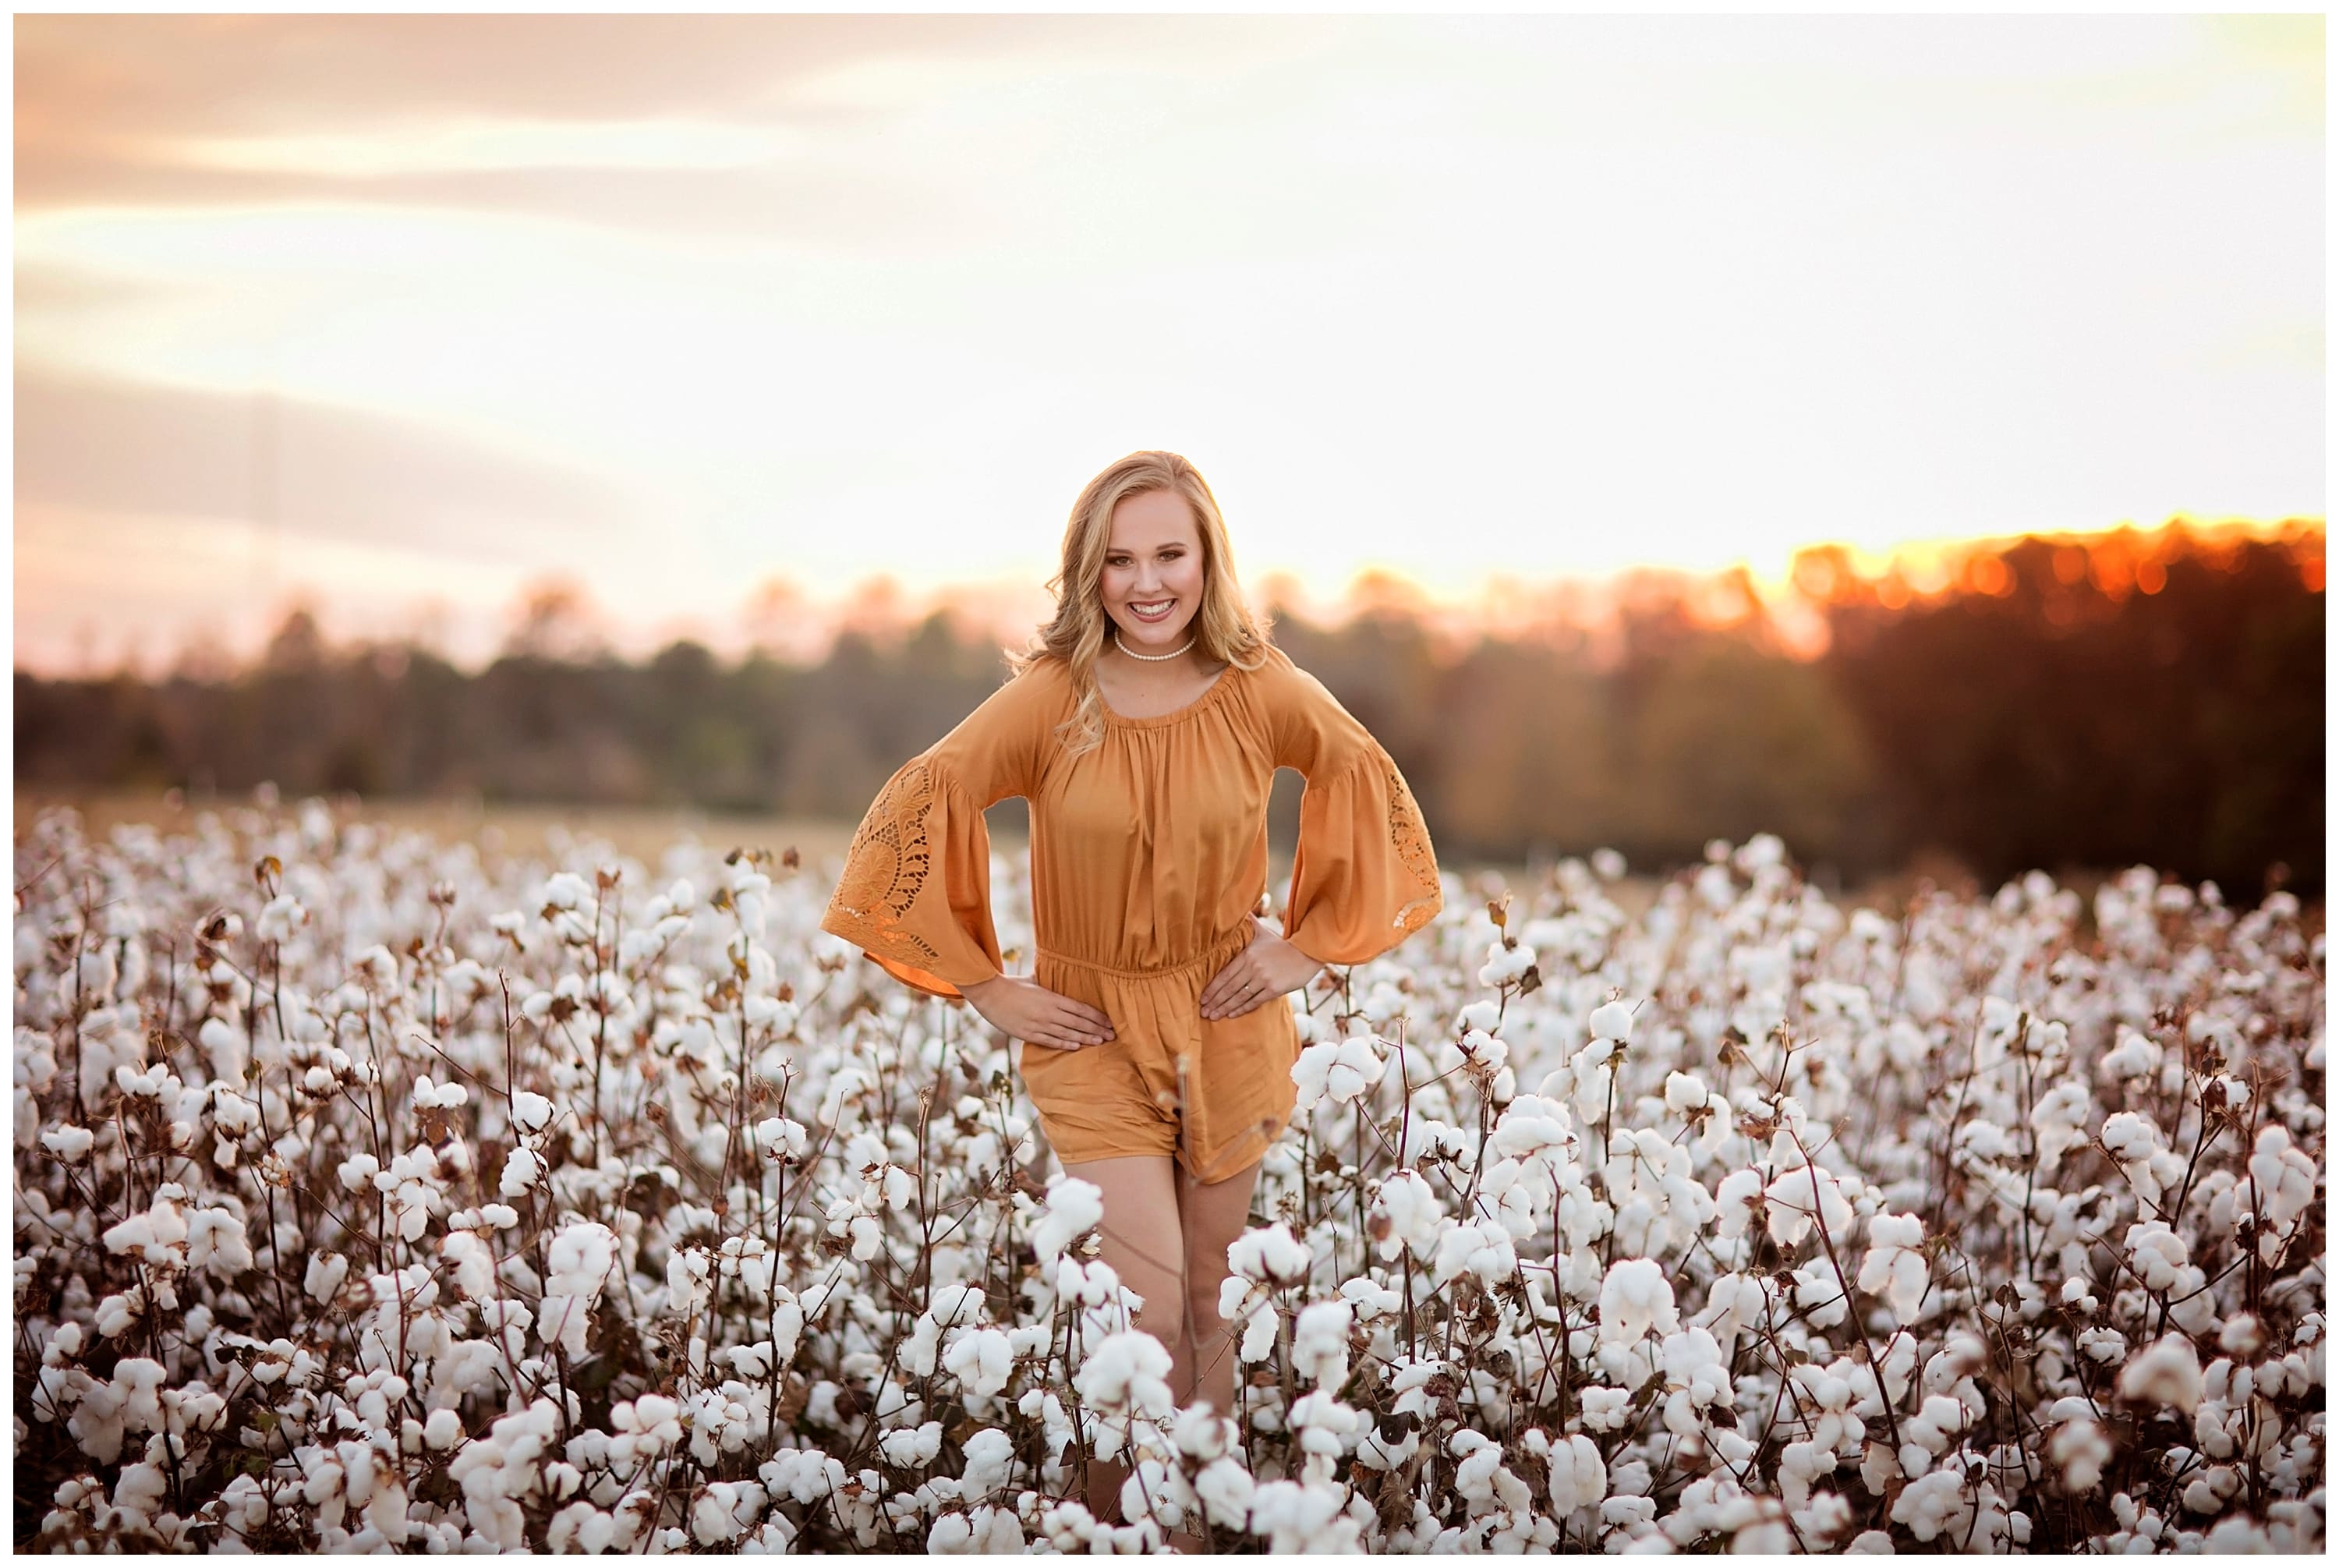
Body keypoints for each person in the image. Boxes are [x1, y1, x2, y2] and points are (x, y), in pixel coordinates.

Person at [819, 449, 1442, 1534]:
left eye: (1169, 553)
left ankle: (1200, 1532)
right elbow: (925, 797)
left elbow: (1365, 776)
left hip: (1231, 1018)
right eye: (1120, 560)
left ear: (1208, 560)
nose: (1148, 582)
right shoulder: (1053, 698)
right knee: (1144, 1316)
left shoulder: (1261, 687)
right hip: (1090, 1026)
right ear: (1087, 574)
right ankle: (1121, 1539)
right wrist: (985, 985)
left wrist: (1305, 949)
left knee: (1211, 1310)